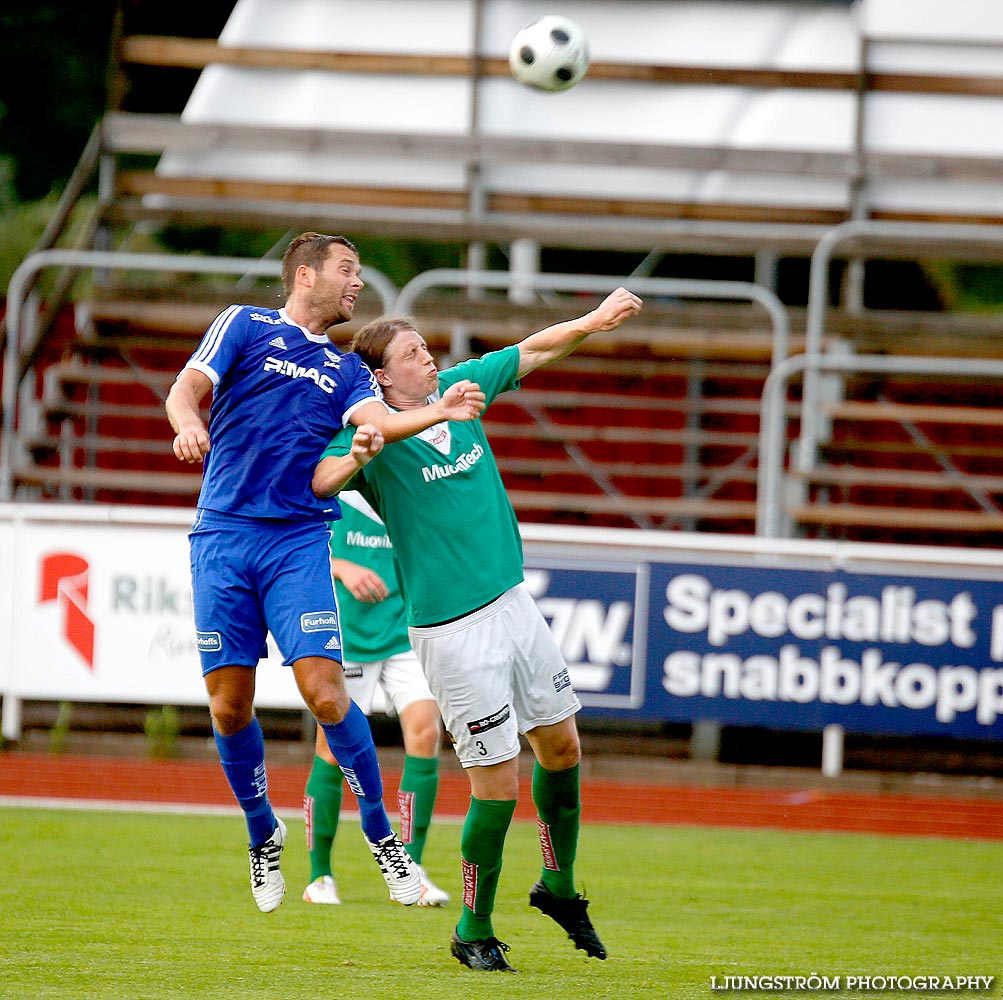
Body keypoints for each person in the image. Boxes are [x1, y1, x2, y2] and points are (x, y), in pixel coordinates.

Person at [311, 286, 643, 971]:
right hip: (451, 631)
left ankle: (556, 885)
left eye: (427, 347)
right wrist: (360, 456)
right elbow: (319, 479)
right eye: (413, 353)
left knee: (563, 748)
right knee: (495, 785)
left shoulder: (461, 388)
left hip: (513, 605)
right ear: (380, 376)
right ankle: (472, 927)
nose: (430, 359)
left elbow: (535, 348)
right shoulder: (370, 432)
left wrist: (594, 320)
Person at [165, 231, 484, 914]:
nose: (357, 283)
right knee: (228, 705)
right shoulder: (245, 325)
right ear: (305, 276)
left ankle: (382, 842)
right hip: (222, 537)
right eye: (348, 270)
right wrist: (186, 423)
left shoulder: (346, 372)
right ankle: (262, 833)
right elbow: (184, 389)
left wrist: (434, 410)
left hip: (297, 541)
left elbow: (376, 421)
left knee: (327, 693)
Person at [303, 489, 449, 908]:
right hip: (346, 632)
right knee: (331, 750)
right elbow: (293, 544)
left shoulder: (409, 485)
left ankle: (411, 869)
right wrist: (343, 567)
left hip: (405, 629)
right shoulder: (334, 476)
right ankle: (319, 876)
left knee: (425, 733)